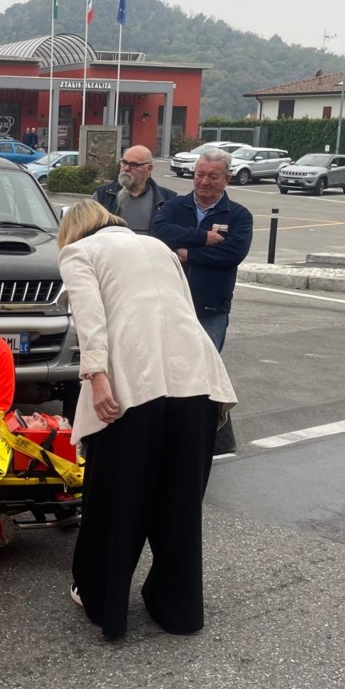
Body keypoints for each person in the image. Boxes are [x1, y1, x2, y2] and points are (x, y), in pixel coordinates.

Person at [56, 199, 236, 641]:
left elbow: (89, 321)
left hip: (134, 387)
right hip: (197, 382)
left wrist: (97, 378)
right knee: (179, 504)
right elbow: (182, 312)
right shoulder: (157, 246)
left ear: (72, 232)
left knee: (115, 503)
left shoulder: (79, 252)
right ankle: (178, 609)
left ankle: (106, 603)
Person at [150, 147, 254, 351]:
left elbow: (232, 253)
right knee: (168, 366)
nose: (204, 181)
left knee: (207, 370)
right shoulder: (174, 206)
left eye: (213, 176)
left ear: (227, 179)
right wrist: (204, 237)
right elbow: (160, 231)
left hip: (211, 308)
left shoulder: (239, 215)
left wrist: (189, 254)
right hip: (170, 304)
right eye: (200, 174)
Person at [92, 145, 176, 234]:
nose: (126, 168)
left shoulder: (167, 199)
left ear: (149, 169)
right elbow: (85, 232)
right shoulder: (102, 196)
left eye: (133, 165)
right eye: (124, 162)